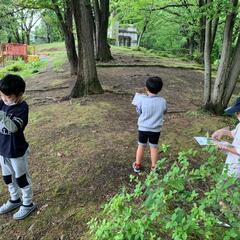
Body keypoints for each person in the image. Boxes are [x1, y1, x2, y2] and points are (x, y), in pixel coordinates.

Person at [0, 74, 36, 220]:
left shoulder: (22, 107)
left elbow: (13, 127)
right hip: (3, 150)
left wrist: (1, 115)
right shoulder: (3, 103)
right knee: (7, 177)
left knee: (21, 178)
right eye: (2, 96)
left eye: (8, 97)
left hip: (16, 151)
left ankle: (28, 203)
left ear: (19, 94)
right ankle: (15, 199)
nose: (4, 99)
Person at [132, 76, 167, 173]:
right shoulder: (163, 101)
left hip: (143, 128)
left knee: (141, 146)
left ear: (146, 88)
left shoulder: (142, 100)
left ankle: (137, 165)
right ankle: (154, 167)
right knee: (154, 147)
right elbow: (164, 111)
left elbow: (139, 111)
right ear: (160, 89)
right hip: (155, 129)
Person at [212, 97, 240, 178]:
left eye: (238, 112)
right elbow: (235, 134)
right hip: (231, 164)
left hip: (237, 172)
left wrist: (226, 147)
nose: (236, 115)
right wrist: (223, 132)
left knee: (227, 188)